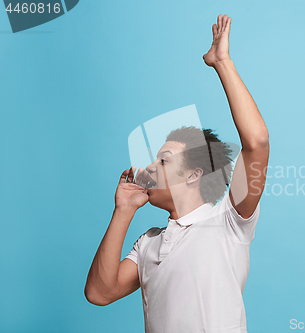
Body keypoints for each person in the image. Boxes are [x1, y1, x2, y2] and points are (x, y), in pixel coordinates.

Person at [84, 14, 270, 333]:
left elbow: (257, 143)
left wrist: (221, 62)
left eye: (164, 160)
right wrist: (123, 210)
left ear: (194, 174)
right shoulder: (148, 244)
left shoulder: (228, 220)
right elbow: (100, 293)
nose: (149, 169)